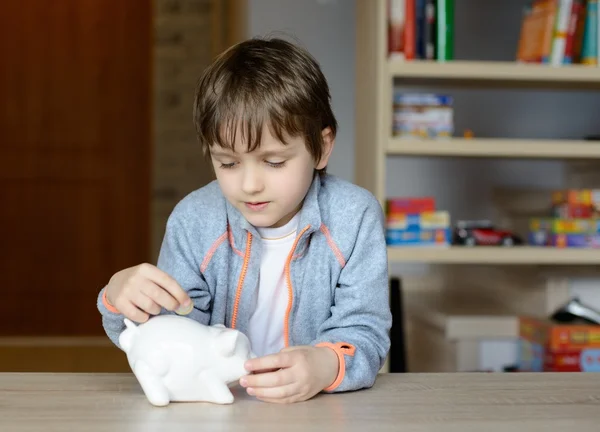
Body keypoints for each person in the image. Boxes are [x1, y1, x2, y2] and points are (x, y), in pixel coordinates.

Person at [97, 36, 392, 404]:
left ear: (322, 146)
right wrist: (118, 297)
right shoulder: (194, 220)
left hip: (317, 410)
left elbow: (365, 332)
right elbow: (169, 336)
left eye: (274, 162)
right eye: (228, 163)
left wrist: (325, 365)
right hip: (218, 407)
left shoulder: (354, 217)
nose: (250, 185)